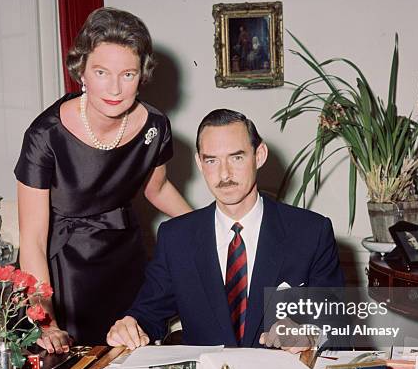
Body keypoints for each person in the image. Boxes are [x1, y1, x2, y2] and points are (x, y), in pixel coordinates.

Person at [15, 7, 191, 352]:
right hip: (64, 270)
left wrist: (211, 227)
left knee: (132, 361)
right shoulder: (45, 135)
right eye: (101, 72)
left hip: (124, 257)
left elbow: (157, 189)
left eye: (128, 74)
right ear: (81, 71)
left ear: (142, 75)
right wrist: (46, 322)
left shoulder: (155, 126)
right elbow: (32, 238)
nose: (114, 88)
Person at [107, 109, 344, 351]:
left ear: (259, 155)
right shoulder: (176, 237)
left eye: (237, 157)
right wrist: (129, 326)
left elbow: (339, 327)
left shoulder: (310, 232)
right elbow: (147, 314)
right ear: (200, 163)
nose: (224, 174)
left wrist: (311, 335)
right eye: (212, 160)